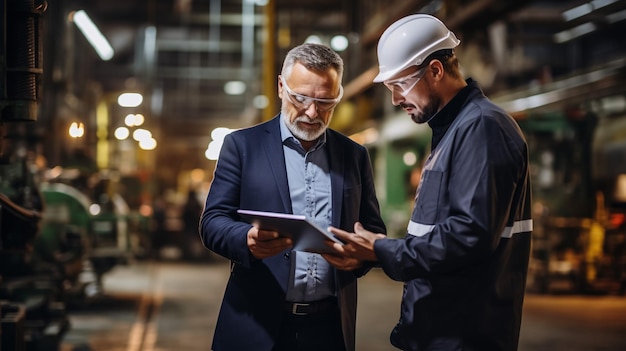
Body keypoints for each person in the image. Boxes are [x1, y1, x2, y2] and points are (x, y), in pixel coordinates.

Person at [324, 14, 533, 351]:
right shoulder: (452, 130)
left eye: (400, 84)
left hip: (463, 334)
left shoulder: (482, 128)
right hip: (438, 330)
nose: (394, 98)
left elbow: (469, 236)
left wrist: (381, 249)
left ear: (435, 71)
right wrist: (379, 252)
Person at [199, 43, 386, 351]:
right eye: (301, 98)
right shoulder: (242, 147)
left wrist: (359, 259)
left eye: (325, 102)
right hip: (256, 323)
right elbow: (212, 222)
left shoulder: (354, 155)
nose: (312, 112)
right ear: (281, 87)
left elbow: (373, 230)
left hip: (329, 327)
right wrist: (246, 238)